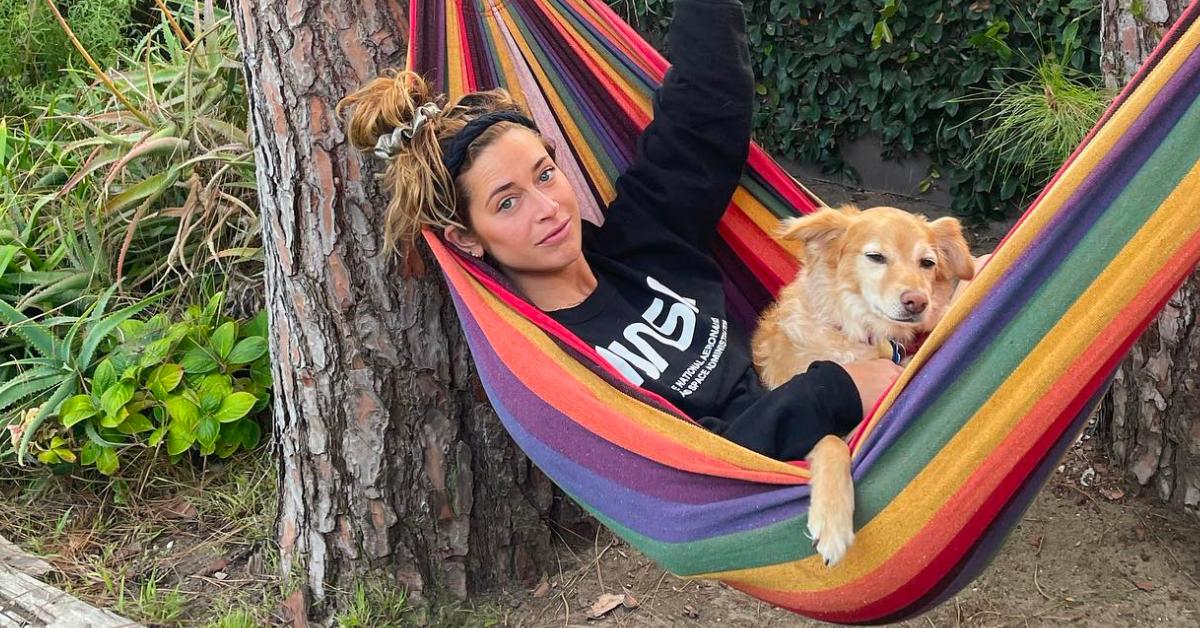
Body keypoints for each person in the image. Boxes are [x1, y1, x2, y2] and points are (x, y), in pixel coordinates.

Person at [338, 0, 903, 462]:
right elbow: (696, 472)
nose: (548, 207)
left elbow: (705, 111)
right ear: (468, 238)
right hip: (795, 474)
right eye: (507, 202)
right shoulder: (560, 365)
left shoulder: (641, 240)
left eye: (545, 174)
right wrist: (836, 390)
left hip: (868, 394)